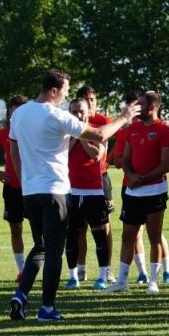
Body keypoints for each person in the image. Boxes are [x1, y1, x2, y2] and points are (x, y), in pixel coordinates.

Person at [8, 68, 138, 322]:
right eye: (66, 90)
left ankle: (21, 295)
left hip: (30, 192)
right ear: (53, 91)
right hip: (55, 191)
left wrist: (25, 181)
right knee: (54, 251)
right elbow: (99, 134)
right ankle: (47, 308)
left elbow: (13, 152)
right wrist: (124, 117)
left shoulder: (20, 113)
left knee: (40, 246)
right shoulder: (57, 116)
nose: (67, 95)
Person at [106, 91, 169, 295]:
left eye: (141, 104)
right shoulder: (132, 129)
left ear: (152, 107)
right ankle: (122, 281)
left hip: (155, 190)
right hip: (133, 191)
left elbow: (166, 165)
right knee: (128, 236)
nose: (137, 108)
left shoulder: (164, 130)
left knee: (154, 236)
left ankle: (153, 281)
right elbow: (125, 159)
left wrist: (141, 179)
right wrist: (130, 175)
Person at [64, 97, 112, 289]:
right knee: (72, 235)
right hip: (71, 191)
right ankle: (73, 276)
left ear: (88, 112)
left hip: (94, 191)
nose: (78, 115)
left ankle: (102, 276)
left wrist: (81, 135)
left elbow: (97, 155)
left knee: (99, 235)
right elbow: (62, 154)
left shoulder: (97, 131)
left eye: (81, 111)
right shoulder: (64, 133)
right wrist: (76, 135)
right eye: (74, 111)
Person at [0, 95, 29, 281]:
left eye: (21, 110)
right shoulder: (4, 133)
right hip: (12, 188)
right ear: (10, 111)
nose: (17, 113)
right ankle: (22, 269)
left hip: (33, 188)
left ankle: (39, 266)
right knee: (15, 228)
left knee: (40, 229)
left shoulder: (34, 131)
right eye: (13, 110)